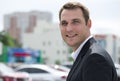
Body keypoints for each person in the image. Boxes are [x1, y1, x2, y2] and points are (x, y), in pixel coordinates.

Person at [58, 1, 118, 81]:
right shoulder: (86, 55)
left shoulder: (95, 59)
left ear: (89, 24)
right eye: (64, 23)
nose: (69, 29)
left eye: (75, 22)